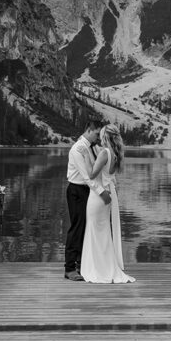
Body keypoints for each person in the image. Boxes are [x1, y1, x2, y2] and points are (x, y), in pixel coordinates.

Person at [80, 123, 135, 284]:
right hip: (108, 194)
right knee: (103, 231)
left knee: (94, 230)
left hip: (98, 197)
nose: (99, 138)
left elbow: (91, 174)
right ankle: (105, 267)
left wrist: (85, 156)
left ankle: (95, 268)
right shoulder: (116, 154)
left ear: (105, 136)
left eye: (101, 135)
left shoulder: (105, 152)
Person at [64, 119, 108, 281]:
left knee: (87, 227)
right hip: (76, 191)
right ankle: (69, 268)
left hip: (87, 192)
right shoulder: (77, 149)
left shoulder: (93, 147)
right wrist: (102, 192)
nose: (98, 137)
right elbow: (86, 176)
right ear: (89, 130)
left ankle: (83, 264)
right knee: (77, 227)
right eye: (97, 133)